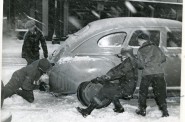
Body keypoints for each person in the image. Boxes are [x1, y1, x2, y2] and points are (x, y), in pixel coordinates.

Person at [76, 47, 138, 117]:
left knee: (104, 91)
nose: (121, 58)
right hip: (126, 85)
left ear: (127, 55)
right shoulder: (129, 62)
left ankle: (87, 111)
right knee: (109, 86)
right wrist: (104, 77)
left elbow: (116, 73)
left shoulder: (128, 64)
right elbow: (115, 69)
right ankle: (119, 108)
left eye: (123, 56)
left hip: (126, 88)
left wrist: (100, 79)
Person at [135, 33, 169, 117]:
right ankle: (165, 111)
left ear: (142, 40)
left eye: (138, 41)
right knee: (160, 92)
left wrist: (138, 62)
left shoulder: (140, 50)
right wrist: (155, 63)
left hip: (147, 73)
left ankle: (142, 110)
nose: (138, 43)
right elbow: (163, 58)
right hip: (159, 72)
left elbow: (140, 65)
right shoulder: (156, 47)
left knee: (143, 92)